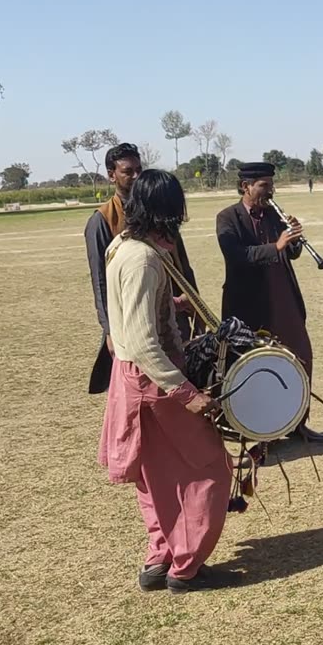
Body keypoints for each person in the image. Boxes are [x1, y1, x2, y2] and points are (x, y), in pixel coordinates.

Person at [99, 169, 237, 594]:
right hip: (154, 384)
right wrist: (187, 393)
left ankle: (160, 558)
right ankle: (185, 565)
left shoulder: (124, 245)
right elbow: (144, 341)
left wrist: (172, 301)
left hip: (132, 380)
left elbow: (131, 313)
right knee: (210, 468)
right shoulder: (142, 258)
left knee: (154, 477)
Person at [215, 161, 323, 443]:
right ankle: (257, 432)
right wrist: (274, 246)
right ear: (246, 187)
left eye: (271, 185)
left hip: (283, 299)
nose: (270, 191)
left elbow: (290, 254)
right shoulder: (227, 218)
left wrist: (294, 241)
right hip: (249, 305)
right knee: (252, 366)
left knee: (300, 357)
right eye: (264, 186)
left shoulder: (274, 215)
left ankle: (298, 424)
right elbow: (236, 256)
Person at [85, 142, 199, 394]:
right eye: (128, 171)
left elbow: (181, 263)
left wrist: (191, 302)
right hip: (134, 318)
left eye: (139, 169)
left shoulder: (160, 210)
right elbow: (101, 282)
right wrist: (110, 331)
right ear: (111, 174)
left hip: (168, 308)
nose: (136, 176)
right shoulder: (102, 220)